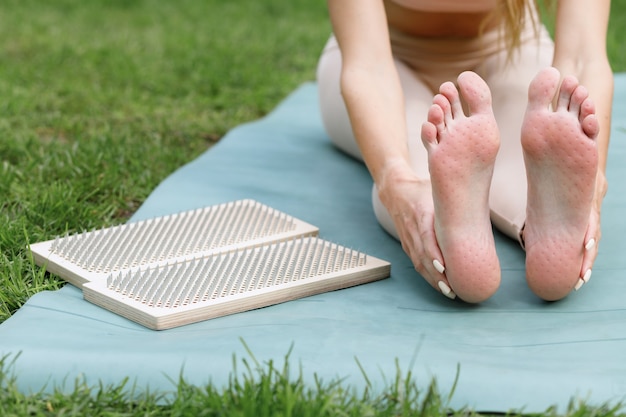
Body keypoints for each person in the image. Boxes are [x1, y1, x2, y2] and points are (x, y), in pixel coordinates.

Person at [316, 0, 613, 303]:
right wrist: (394, 181)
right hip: (384, 58)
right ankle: (447, 225)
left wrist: (592, 183)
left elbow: (583, 56)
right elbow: (369, 68)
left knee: (536, 153)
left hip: (511, 52)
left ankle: (548, 225)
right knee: (413, 172)